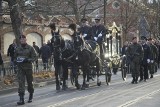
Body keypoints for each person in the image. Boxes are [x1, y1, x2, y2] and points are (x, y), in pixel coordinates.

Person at [14, 35, 37, 105]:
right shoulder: (17, 49)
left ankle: (31, 95)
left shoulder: (30, 48)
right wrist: (16, 61)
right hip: (20, 68)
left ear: (26, 40)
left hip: (28, 68)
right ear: (20, 41)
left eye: (24, 39)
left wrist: (28, 60)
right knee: (21, 83)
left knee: (30, 82)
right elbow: (14, 57)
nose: (22, 41)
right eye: (21, 40)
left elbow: (35, 57)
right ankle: (21, 99)